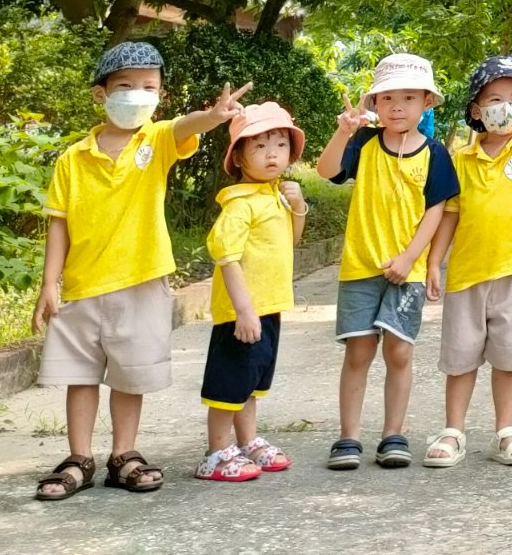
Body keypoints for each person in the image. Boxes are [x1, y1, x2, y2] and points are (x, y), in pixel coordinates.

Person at [31, 41, 250, 500]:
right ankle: (79, 458)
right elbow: (59, 223)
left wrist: (215, 115)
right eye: (126, 85)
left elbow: (186, 126)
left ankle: (123, 455)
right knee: (80, 375)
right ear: (101, 93)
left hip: (142, 279)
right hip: (82, 285)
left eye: (149, 87)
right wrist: (49, 284)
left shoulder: (156, 140)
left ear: (160, 96)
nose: (138, 94)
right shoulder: (72, 159)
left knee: (129, 376)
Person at [424, 57, 512, 470]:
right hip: (466, 274)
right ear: (476, 109)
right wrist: (434, 262)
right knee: (460, 357)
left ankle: (506, 430)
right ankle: (453, 430)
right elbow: (450, 215)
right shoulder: (461, 159)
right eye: (495, 99)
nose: (507, 107)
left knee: (509, 355)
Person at [317, 52, 457, 472]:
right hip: (360, 267)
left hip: (407, 272)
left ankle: (393, 433)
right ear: (374, 103)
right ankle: (349, 436)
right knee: (358, 352)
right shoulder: (363, 143)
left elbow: (436, 211)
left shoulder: (435, 153)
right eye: (388, 98)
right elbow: (326, 171)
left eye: (409, 98)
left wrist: (413, 259)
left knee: (398, 352)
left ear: (426, 103)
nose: (397, 107)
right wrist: (342, 132)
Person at [196, 102, 308, 483]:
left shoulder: (275, 195)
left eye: (280, 144)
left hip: (268, 306)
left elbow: (291, 240)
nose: (272, 153)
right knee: (228, 384)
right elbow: (226, 257)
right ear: (239, 158)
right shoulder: (239, 205)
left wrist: (298, 206)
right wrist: (244, 310)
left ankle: (247, 441)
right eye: (259, 146)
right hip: (241, 313)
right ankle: (216, 452)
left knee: (251, 383)